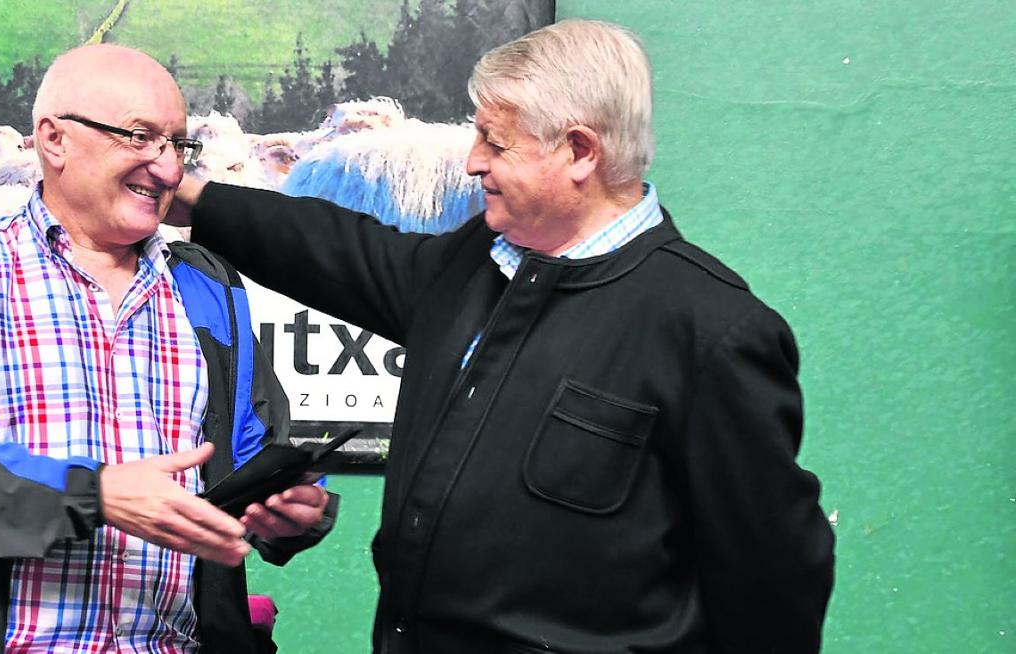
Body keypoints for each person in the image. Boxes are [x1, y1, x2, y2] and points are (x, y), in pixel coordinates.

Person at [167, 18, 835, 654]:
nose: (472, 163)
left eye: (496, 141)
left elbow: (772, 581)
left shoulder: (712, 332)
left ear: (579, 151)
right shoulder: (472, 264)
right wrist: (190, 198)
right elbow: (341, 249)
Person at [0, 44, 335, 654]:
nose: (168, 169)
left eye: (177, 145)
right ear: (54, 140)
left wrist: (291, 511)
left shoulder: (207, 288)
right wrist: (96, 494)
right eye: (140, 138)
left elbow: (248, 458)